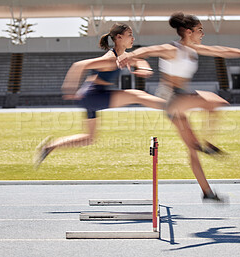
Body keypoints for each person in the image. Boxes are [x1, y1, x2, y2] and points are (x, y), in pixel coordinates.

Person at [118, 12, 240, 202]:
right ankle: (207, 142)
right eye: (200, 31)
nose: (202, 34)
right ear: (189, 32)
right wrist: (129, 56)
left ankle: (207, 191)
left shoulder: (193, 51)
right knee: (216, 101)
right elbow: (149, 50)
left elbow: (220, 51)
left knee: (192, 148)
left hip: (178, 104)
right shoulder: (173, 49)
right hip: (171, 98)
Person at [34, 23, 165, 169]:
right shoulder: (110, 59)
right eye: (130, 35)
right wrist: (69, 89)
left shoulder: (123, 56)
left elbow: (139, 60)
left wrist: (144, 68)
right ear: (119, 37)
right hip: (93, 94)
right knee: (136, 95)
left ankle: (49, 146)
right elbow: (79, 65)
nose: (133, 38)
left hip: (92, 95)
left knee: (89, 138)